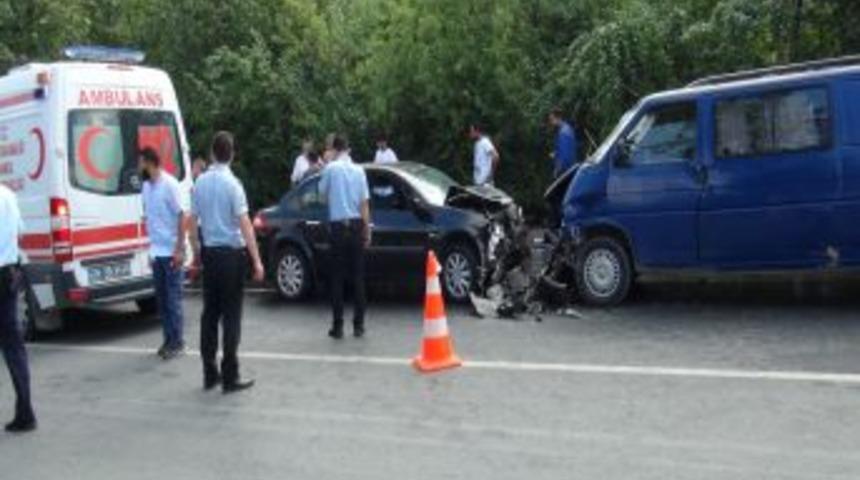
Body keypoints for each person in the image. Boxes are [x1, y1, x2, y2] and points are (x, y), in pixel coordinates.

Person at [190, 131, 264, 394]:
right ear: (232, 154)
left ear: (212, 153)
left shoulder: (199, 183)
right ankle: (230, 375)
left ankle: (209, 372)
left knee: (210, 314)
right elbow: (245, 225)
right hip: (231, 256)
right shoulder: (234, 185)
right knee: (231, 316)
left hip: (210, 255)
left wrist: (196, 252)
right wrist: (257, 260)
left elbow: (192, 222)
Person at [319, 134, 371, 339]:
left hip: (338, 227)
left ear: (334, 149)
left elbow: (322, 196)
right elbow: (364, 204)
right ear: (348, 149)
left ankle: (338, 326)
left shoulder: (330, 169)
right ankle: (359, 325)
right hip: (357, 225)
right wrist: (367, 229)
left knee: (337, 278)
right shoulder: (359, 170)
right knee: (358, 277)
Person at [140, 147, 188, 360]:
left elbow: (182, 216)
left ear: (149, 162)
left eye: (141, 162)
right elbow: (148, 219)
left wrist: (179, 249)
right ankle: (168, 339)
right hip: (156, 252)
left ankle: (178, 342)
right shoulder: (146, 187)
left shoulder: (170, 184)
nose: (139, 167)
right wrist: (149, 250)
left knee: (173, 299)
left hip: (171, 251)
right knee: (162, 300)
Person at [0, 183, 36, 432]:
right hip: (9, 274)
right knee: (14, 347)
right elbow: (21, 231)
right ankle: (25, 412)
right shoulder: (8, 195)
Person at [548, 107, 578, 177]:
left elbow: (565, 155)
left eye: (552, 119)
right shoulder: (567, 128)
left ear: (558, 118)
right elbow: (564, 148)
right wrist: (555, 153)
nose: (551, 122)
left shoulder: (563, 133)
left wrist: (557, 169)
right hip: (570, 166)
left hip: (566, 169)